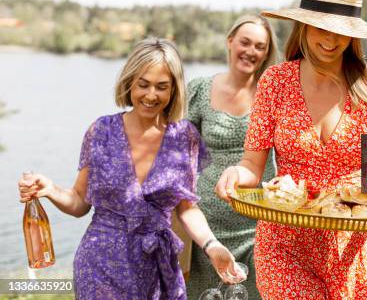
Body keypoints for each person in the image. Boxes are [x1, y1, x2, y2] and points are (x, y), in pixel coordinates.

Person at [216, 0, 367, 299]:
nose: (331, 40)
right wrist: (235, 174)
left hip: (352, 247)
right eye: (322, 27)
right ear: (304, 27)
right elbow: (252, 166)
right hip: (285, 245)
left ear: (354, 36)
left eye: (342, 32)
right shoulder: (276, 82)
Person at [17, 38, 243, 300]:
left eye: (162, 87)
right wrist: (50, 189)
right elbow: (79, 202)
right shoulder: (101, 131)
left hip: (158, 269)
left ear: (174, 90)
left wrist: (212, 245)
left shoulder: (185, 138)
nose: (150, 95)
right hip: (99, 265)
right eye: (143, 84)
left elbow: (186, 208)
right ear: (129, 82)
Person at [185, 15, 278, 299]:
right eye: (245, 42)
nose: (251, 51)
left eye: (260, 46)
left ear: (266, 53)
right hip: (207, 224)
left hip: (259, 222)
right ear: (230, 42)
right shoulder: (200, 89)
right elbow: (182, 158)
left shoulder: (273, 94)